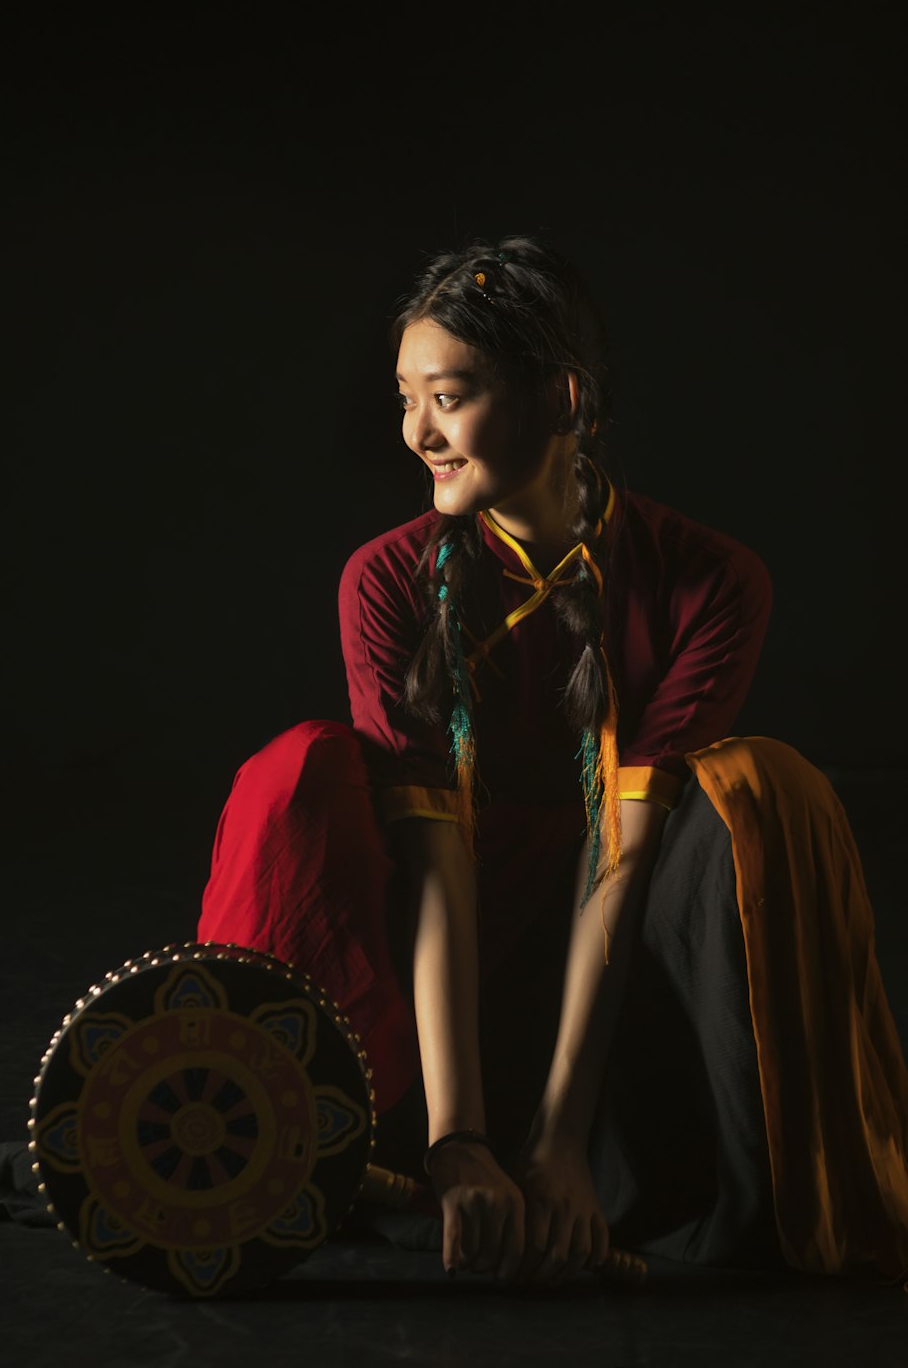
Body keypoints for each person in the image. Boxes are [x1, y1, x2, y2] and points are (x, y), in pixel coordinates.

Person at [197, 235, 908, 1286]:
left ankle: (744, 1173)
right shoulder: (387, 580)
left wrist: (559, 1144)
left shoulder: (708, 578)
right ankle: (261, 1118)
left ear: (563, 398)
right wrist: (459, 1144)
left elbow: (624, 865)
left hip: (620, 1001)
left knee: (761, 785)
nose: (416, 433)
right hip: (437, 1002)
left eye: (447, 395)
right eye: (405, 399)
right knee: (299, 767)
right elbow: (435, 879)